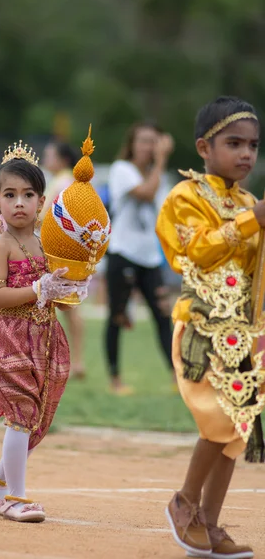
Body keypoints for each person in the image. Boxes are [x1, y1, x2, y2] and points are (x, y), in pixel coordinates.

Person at [156, 96, 264, 559]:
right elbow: (196, 252)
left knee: (237, 431)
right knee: (218, 420)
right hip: (201, 326)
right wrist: (251, 220)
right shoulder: (185, 197)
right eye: (233, 143)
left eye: (253, 145)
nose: (246, 154)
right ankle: (184, 502)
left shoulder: (247, 202)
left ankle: (212, 523)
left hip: (242, 332)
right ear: (203, 146)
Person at [0, 143, 89, 523]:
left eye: (27, 195)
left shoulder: (48, 245)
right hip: (7, 338)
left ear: (41, 202)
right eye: (10, 195)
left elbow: (59, 294)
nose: (18, 203)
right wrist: (38, 289)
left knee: (37, 416)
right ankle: (13, 497)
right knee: (22, 413)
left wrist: (71, 287)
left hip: (43, 339)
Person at [105, 122, 174, 395]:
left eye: (154, 141)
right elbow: (145, 193)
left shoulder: (160, 176)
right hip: (123, 253)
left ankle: (176, 377)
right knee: (117, 316)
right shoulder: (122, 170)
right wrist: (162, 161)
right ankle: (115, 379)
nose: (149, 147)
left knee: (162, 316)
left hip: (149, 257)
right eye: (144, 141)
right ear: (132, 144)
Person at [42, 141, 85, 378]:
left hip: (61, 254)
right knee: (65, 308)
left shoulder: (65, 183)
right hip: (59, 252)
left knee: (67, 307)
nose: (46, 159)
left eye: (50, 154)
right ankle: (71, 361)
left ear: (63, 159)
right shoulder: (60, 181)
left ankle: (75, 361)